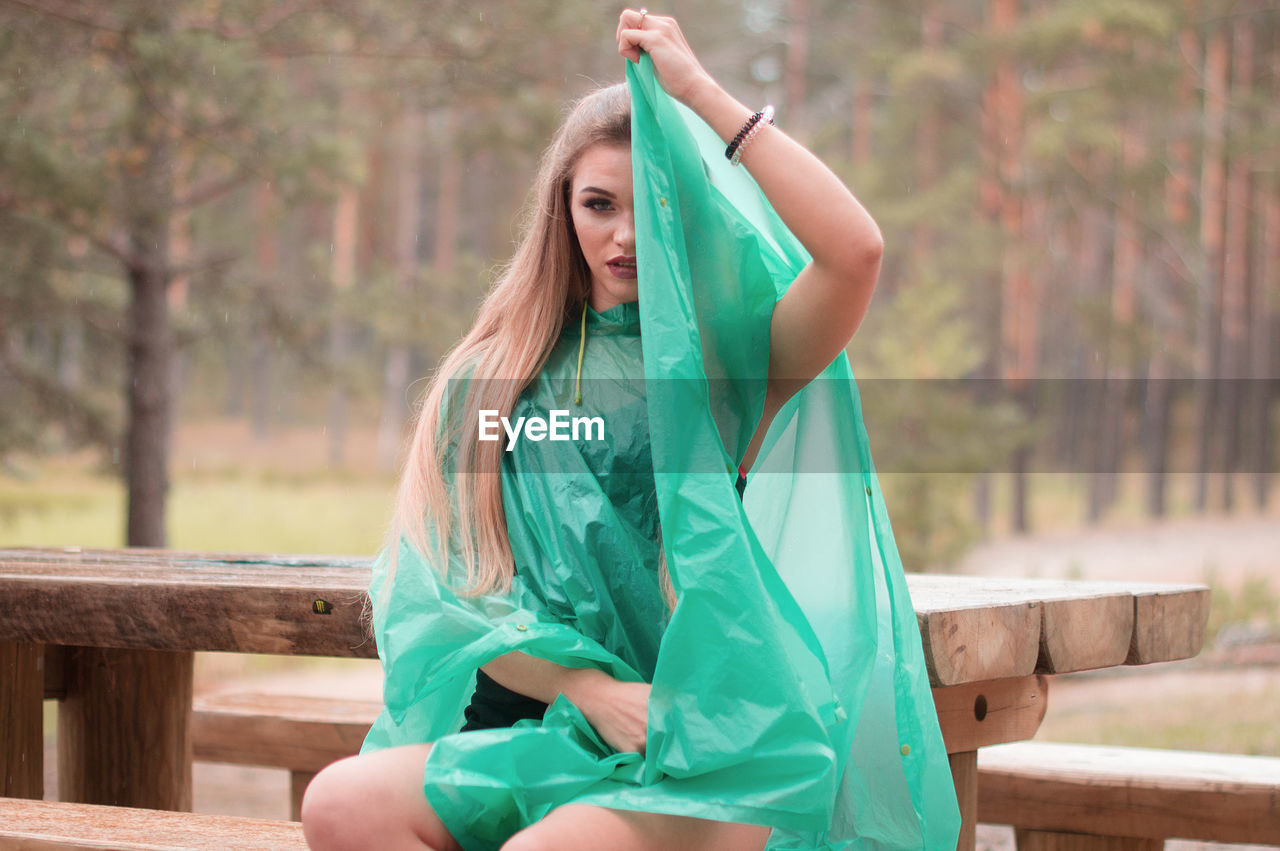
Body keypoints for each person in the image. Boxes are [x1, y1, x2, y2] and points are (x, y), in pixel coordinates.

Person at [302, 9, 955, 851]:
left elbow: (855, 251)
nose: (626, 236)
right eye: (598, 204)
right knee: (339, 804)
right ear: (560, 209)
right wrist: (579, 685)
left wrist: (701, 95)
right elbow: (456, 594)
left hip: (702, 746)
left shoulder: (729, 368)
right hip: (540, 726)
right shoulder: (491, 377)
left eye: (652, 202)